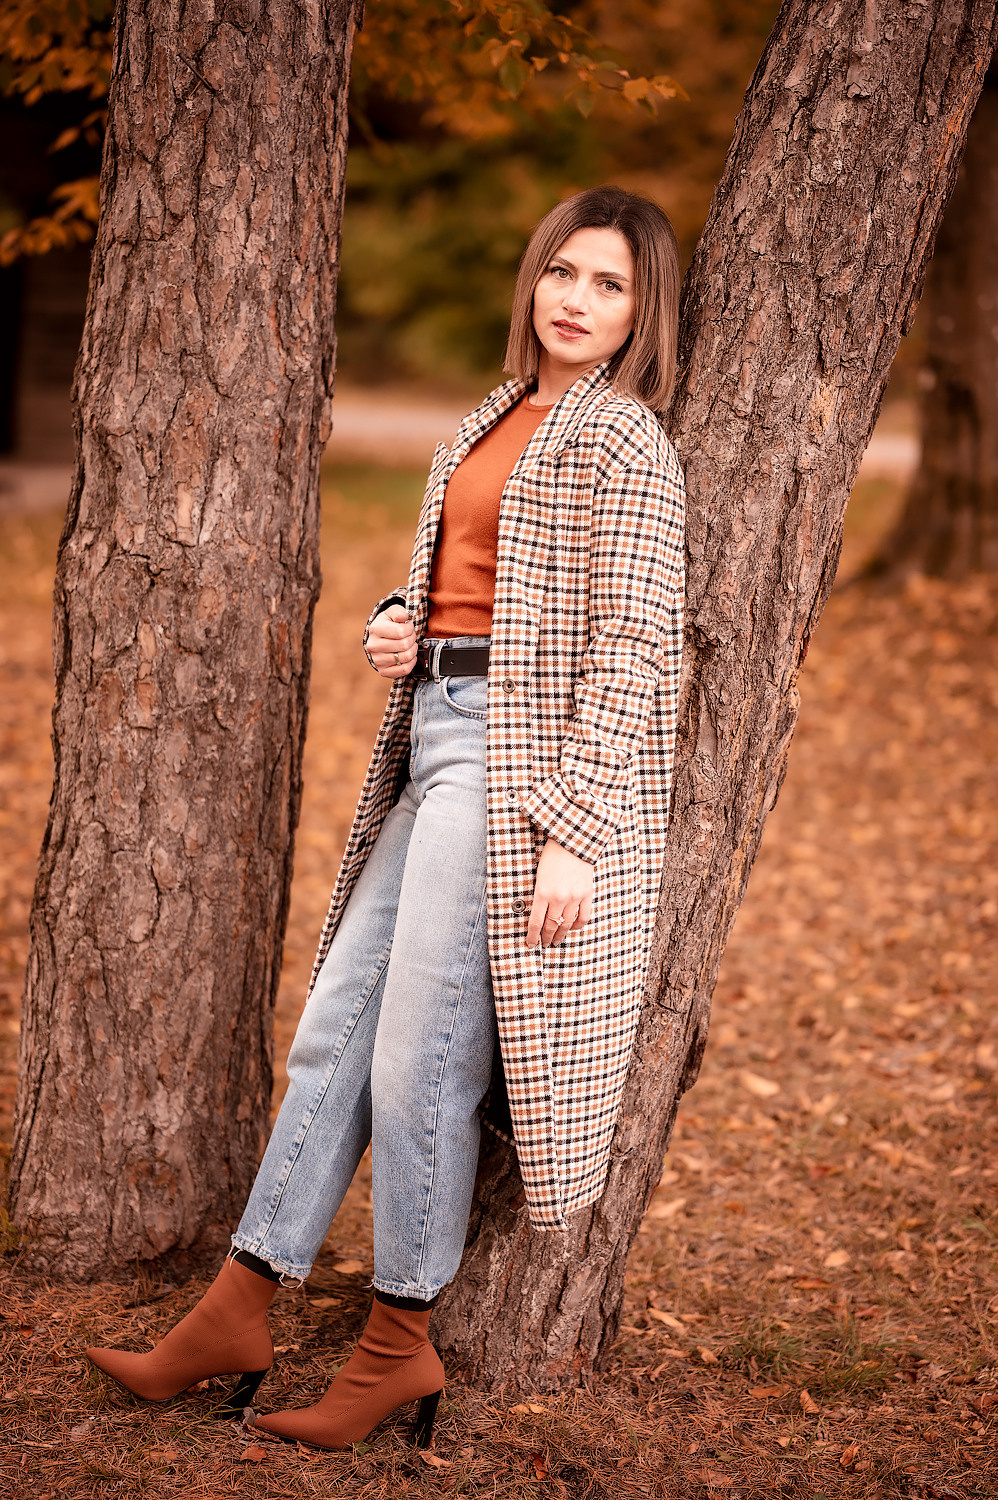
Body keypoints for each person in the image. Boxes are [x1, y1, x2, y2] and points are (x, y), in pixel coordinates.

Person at [84, 184, 686, 1452]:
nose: (576, 301)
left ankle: (399, 1346)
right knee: (336, 1032)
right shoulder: (492, 416)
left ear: (644, 313)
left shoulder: (622, 439)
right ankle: (238, 1304)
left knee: (424, 1056)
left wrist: (571, 829)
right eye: (563, 273)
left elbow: (636, 646)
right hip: (438, 736)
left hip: (517, 777)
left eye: (610, 285)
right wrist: (394, 625)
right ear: (533, 279)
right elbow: (472, 581)